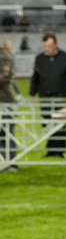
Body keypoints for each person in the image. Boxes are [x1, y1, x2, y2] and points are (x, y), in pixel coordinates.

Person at [30, 32, 66, 157]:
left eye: (49, 46)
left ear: (55, 45)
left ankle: (60, 150)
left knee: (61, 122)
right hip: (44, 96)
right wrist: (32, 94)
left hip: (61, 95)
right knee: (47, 122)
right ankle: (51, 149)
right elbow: (35, 77)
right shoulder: (40, 59)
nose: (46, 49)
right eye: (45, 46)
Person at [0, 41, 17, 172]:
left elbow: (5, 77)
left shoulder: (4, 55)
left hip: (5, 99)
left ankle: (10, 163)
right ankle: (4, 162)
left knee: (7, 133)